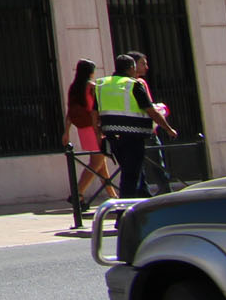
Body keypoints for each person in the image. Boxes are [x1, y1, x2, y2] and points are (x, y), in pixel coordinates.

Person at [96, 53, 172, 201]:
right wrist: (168, 128)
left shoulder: (102, 84)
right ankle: (124, 212)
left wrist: (98, 134)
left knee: (128, 173)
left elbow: (94, 113)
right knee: (130, 176)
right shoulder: (134, 85)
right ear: (131, 68)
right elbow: (151, 111)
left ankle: (129, 207)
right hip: (133, 136)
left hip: (112, 136)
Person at [66, 60, 112, 205]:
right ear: (90, 72)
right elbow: (98, 109)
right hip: (94, 128)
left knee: (100, 164)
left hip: (82, 128)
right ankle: (77, 193)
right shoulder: (92, 87)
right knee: (96, 163)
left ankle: (113, 195)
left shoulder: (74, 88)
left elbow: (70, 112)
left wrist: (66, 132)